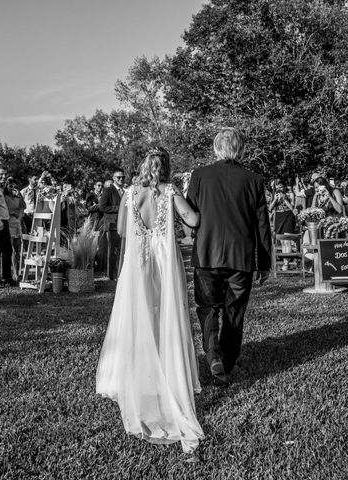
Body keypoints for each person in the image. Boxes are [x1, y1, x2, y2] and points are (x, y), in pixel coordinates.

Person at [95, 148, 204, 454]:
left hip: (137, 266)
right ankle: (163, 369)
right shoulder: (170, 192)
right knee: (163, 314)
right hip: (162, 264)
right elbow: (192, 220)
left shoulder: (130, 194)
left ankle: (139, 370)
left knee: (135, 315)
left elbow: (120, 231)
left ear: (143, 167)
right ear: (165, 168)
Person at [187, 127, 272, 386]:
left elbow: (190, 217)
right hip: (240, 257)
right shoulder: (254, 180)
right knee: (234, 311)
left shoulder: (200, 176)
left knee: (208, 307)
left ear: (216, 149)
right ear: (241, 149)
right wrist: (265, 262)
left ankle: (213, 353)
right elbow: (262, 224)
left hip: (207, 254)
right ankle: (228, 359)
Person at [99, 169, 126, 280]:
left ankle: (120, 272)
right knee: (112, 250)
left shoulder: (125, 191)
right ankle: (112, 275)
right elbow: (102, 207)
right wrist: (119, 208)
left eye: (123, 177)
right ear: (114, 178)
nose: (121, 179)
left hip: (123, 223)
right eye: (118, 177)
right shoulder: (108, 190)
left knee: (121, 250)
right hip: (112, 224)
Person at [269, 179, 297, 271]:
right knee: (282, 242)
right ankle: (286, 263)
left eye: (281, 186)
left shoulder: (290, 194)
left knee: (287, 241)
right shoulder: (274, 195)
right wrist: (275, 199)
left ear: (284, 186)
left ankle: (286, 264)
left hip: (288, 216)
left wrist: (284, 199)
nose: (279, 188)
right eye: (277, 187)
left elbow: (292, 208)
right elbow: (270, 208)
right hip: (279, 217)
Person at [4, 178, 26, 282]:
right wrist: (13, 214)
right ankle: (15, 273)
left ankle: (19, 271)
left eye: (15, 186)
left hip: (17, 224)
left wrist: (20, 195)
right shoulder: (4, 197)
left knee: (18, 250)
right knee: (11, 250)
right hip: (8, 224)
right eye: (10, 186)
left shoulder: (18, 196)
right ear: (6, 186)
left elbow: (24, 206)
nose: (13, 188)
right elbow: (4, 210)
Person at [86, 181, 106, 271]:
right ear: (94, 186)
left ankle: (100, 266)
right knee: (93, 243)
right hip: (93, 222)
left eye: (101, 185)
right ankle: (91, 265)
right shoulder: (90, 195)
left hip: (102, 221)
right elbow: (89, 208)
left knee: (100, 244)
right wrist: (100, 205)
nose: (100, 187)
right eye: (98, 185)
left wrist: (97, 206)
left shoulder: (104, 195)